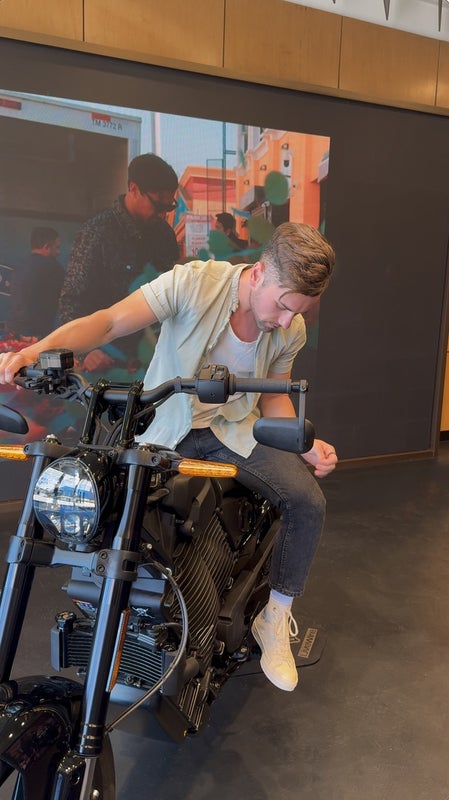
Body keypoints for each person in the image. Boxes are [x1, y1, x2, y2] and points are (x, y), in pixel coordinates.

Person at [0, 221, 337, 693]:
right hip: (166, 426)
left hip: (233, 431)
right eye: (283, 306)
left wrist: (302, 444)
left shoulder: (290, 329)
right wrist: (35, 351)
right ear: (259, 273)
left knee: (307, 502)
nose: (286, 321)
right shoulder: (193, 282)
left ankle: (275, 617)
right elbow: (109, 322)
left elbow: (273, 396)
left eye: (296, 312)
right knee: (118, 512)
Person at [58, 153, 179, 375]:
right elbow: (71, 300)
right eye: (157, 205)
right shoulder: (97, 232)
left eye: (169, 208)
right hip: (108, 363)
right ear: (133, 189)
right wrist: (86, 352)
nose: (163, 214)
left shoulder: (165, 236)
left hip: (157, 363)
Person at [8, 226, 64, 339]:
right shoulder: (53, 268)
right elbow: (69, 298)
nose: (58, 252)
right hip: (37, 337)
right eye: (57, 247)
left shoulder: (19, 266)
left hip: (13, 334)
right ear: (46, 247)